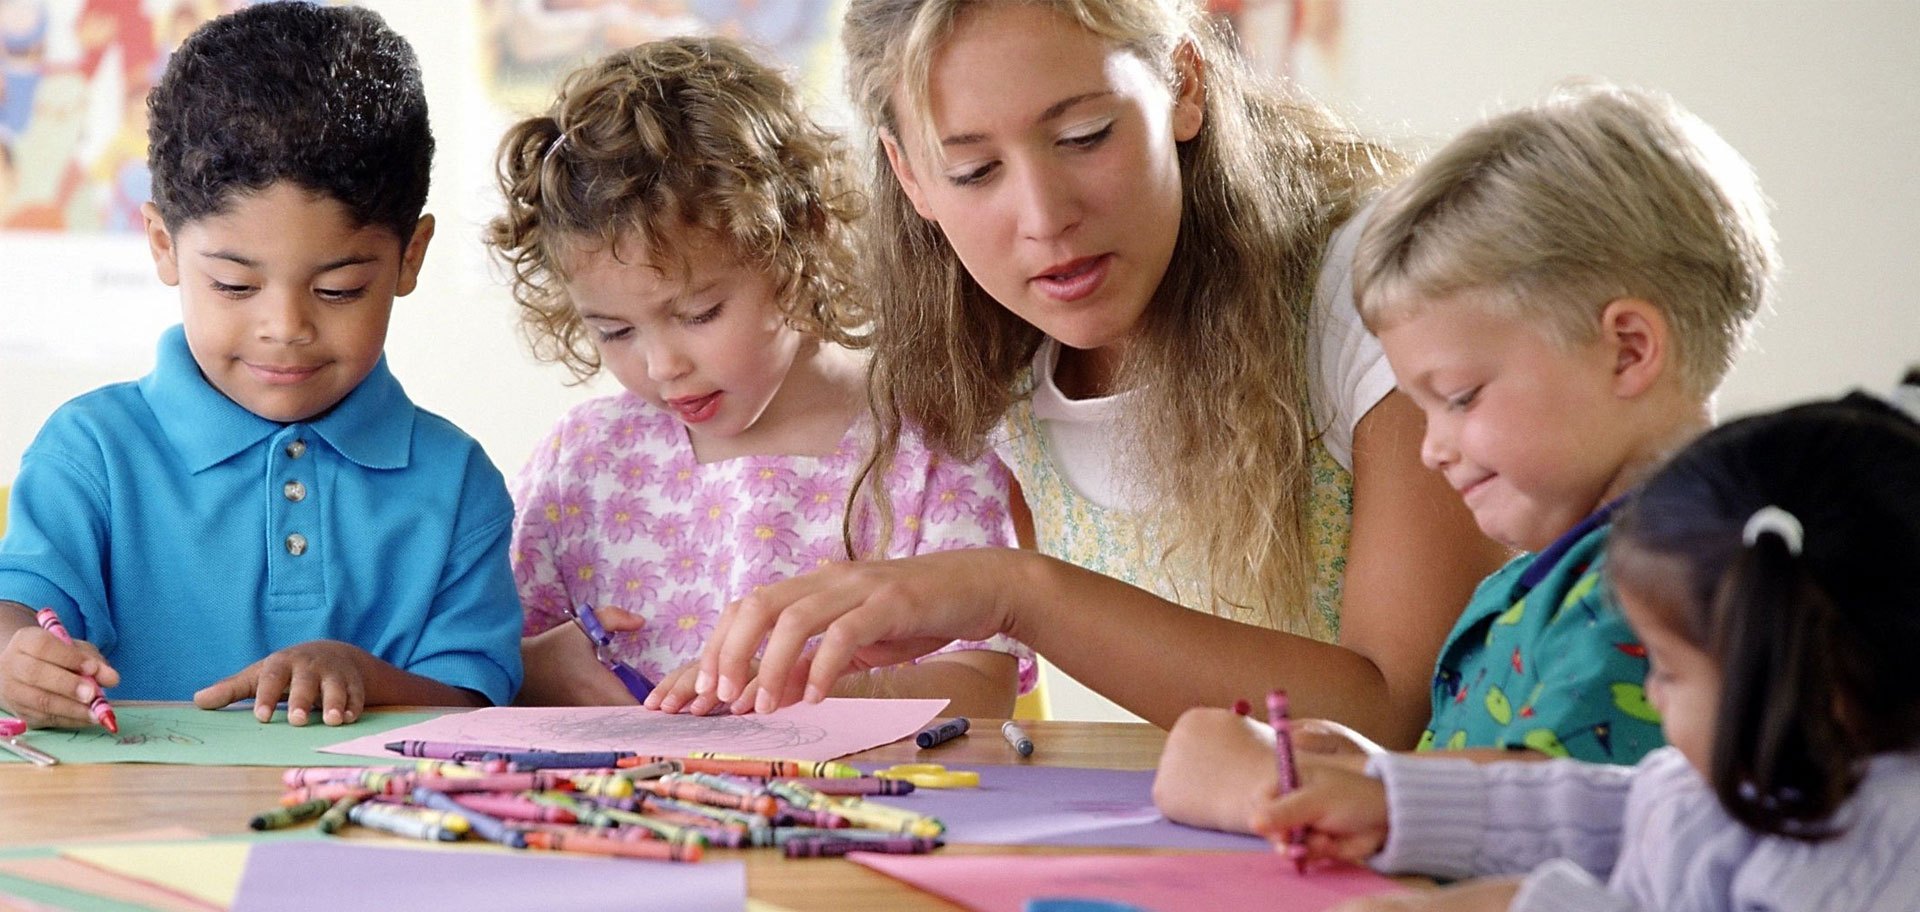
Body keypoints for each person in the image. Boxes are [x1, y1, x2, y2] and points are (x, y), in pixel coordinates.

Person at [694, 0, 1507, 737]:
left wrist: (1017, 592)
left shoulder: (1374, 291)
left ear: (1184, 85)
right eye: (975, 172)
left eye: (1085, 136)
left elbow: (1396, 711)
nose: (1046, 219)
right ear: (910, 176)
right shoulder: (984, 364)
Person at [1152, 81, 1781, 830]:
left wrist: (1281, 787)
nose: (1431, 451)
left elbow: (1564, 815)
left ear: (1628, 349)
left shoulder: (1662, 595)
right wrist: (1366, 765)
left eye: (1459, 397)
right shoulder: (1555, 575)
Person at [0, 4, 523, 728]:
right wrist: (15, 661)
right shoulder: (91, 453)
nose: (286, 329)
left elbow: (477, 700)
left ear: (411, 258)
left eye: (339, 289)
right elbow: (20, 611)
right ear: (161, 244)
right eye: (235, 286)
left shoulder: (457, 483)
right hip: (133, 832)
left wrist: (363, 676)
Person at [484, 37, 1033, 718]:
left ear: (799, 237)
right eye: (615, 331)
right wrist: (534, 669)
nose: (662, 366)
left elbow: (982, 689)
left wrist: (790, 696)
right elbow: (486, 664)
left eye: (700, 311)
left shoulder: (930, 442)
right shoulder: (584, 462)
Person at [1240, 381, 1920, 912]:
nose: (1652, 693)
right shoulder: (1750, 774)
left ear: (1818, 682)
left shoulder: (1879, 856)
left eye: (1673, 673)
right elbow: (1612, 812)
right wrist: (1397, 805)